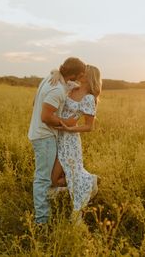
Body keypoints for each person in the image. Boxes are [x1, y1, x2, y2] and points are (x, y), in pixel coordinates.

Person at [28, 57, 86, 224]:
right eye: (81, 75)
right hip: (44, 137)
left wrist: (57, 73)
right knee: (43, 179)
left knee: (51, 177)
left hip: (42, 135)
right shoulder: (57, 90)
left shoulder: (50, 78)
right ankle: (42, 222)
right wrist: (66, 123)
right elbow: (46, 116)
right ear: (75, 74)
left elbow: (35, 102)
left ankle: (59, 204)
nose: (82, 79)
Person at [50, 65, 102, 217]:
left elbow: (89, 126)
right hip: (57, 135)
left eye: (84, 72)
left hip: (70, 141)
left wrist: (69, 129)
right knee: (59, 177)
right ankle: (88, 180)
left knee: (56, 179)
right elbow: (61, 73)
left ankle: (88, 182)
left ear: (89, 76)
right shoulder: (72, 87)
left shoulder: (89, 98)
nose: (80, 73)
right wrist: (56, 73)